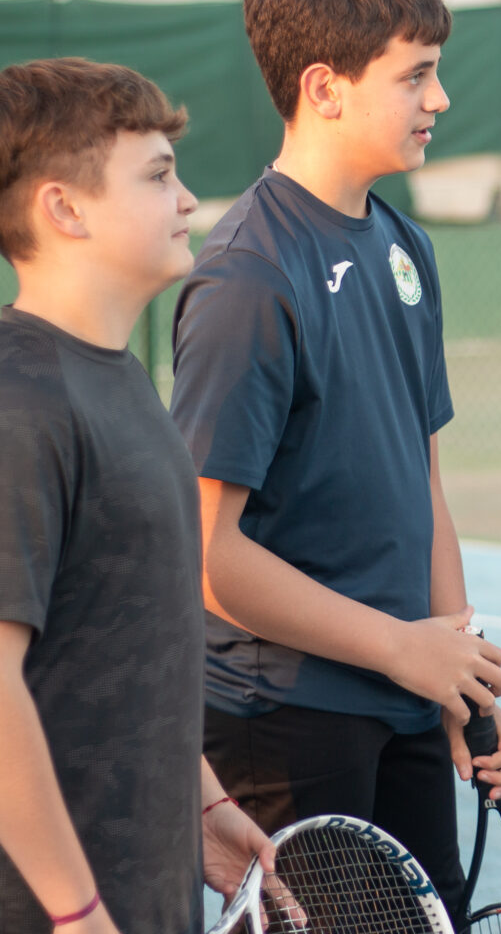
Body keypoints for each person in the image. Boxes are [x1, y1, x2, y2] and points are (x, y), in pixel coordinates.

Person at [168, 0, 501, 926]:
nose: (440, 99)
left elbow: (425, 481)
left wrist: (462, 669)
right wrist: (404, 649)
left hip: (405, 697)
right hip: (284, 719)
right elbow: (208, 558)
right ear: (324, 88)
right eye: (416, 75)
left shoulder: (405, 243)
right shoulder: (246, 275)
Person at [0, 57, 273, 934]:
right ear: (64, 208)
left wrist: (203, 805)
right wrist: (76, 912)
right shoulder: (20, 401)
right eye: (157, 176)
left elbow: (123, 643)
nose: (188, 199)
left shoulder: (117, 381)